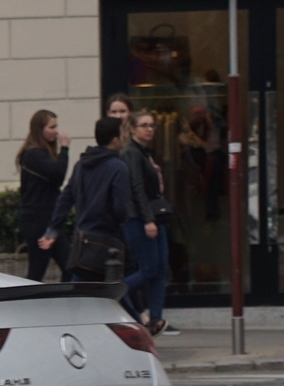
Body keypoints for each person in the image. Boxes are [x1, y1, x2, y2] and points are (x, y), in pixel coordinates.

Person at [39, 116, 138, 285]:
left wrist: (53, 229)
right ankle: (138, 312)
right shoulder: (118, 167)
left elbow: (66, 197)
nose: (124, 138)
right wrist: (123, 219)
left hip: (84, 239)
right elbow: (120, 207)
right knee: (113, 286)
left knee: (87, 284)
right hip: (109, 238)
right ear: (115, 140)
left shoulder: (82, 164)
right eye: (122, 134)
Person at [124, 109, 173, 334]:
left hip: (153, 216)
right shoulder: (132, 153)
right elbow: (136, 189)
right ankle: (120, 293)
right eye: (144, 125)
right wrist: (147, 219)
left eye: (152, 125)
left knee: (160, 269)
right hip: (141, 218)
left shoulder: (145, 153)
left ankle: (156, 318)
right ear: (133, 129)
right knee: (149, 269)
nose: (149, 129)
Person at [17, 110, 71, 282]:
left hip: (49, 219)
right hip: (38, 220)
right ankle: (26, 306)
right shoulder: (33, 154)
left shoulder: (41, 153)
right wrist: (65, 148)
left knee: (69, 267)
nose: (56, 131)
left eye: (56, 126)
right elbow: (58, 175)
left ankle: (64, 303)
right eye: (52, 127)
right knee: (37, 271)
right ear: (40, 129)